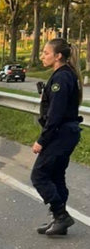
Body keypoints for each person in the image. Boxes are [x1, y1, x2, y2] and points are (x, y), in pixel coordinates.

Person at [31, 38, 83, 236]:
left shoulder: (61, 78)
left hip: (60, 134)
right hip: (66, 133)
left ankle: (61, 215)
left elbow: (55, 114)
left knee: (39, 175)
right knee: (55, 175)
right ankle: (58, 220)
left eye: (46, 52)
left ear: (58, 56)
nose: (43, 56)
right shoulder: (65, 75)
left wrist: (41, 141)